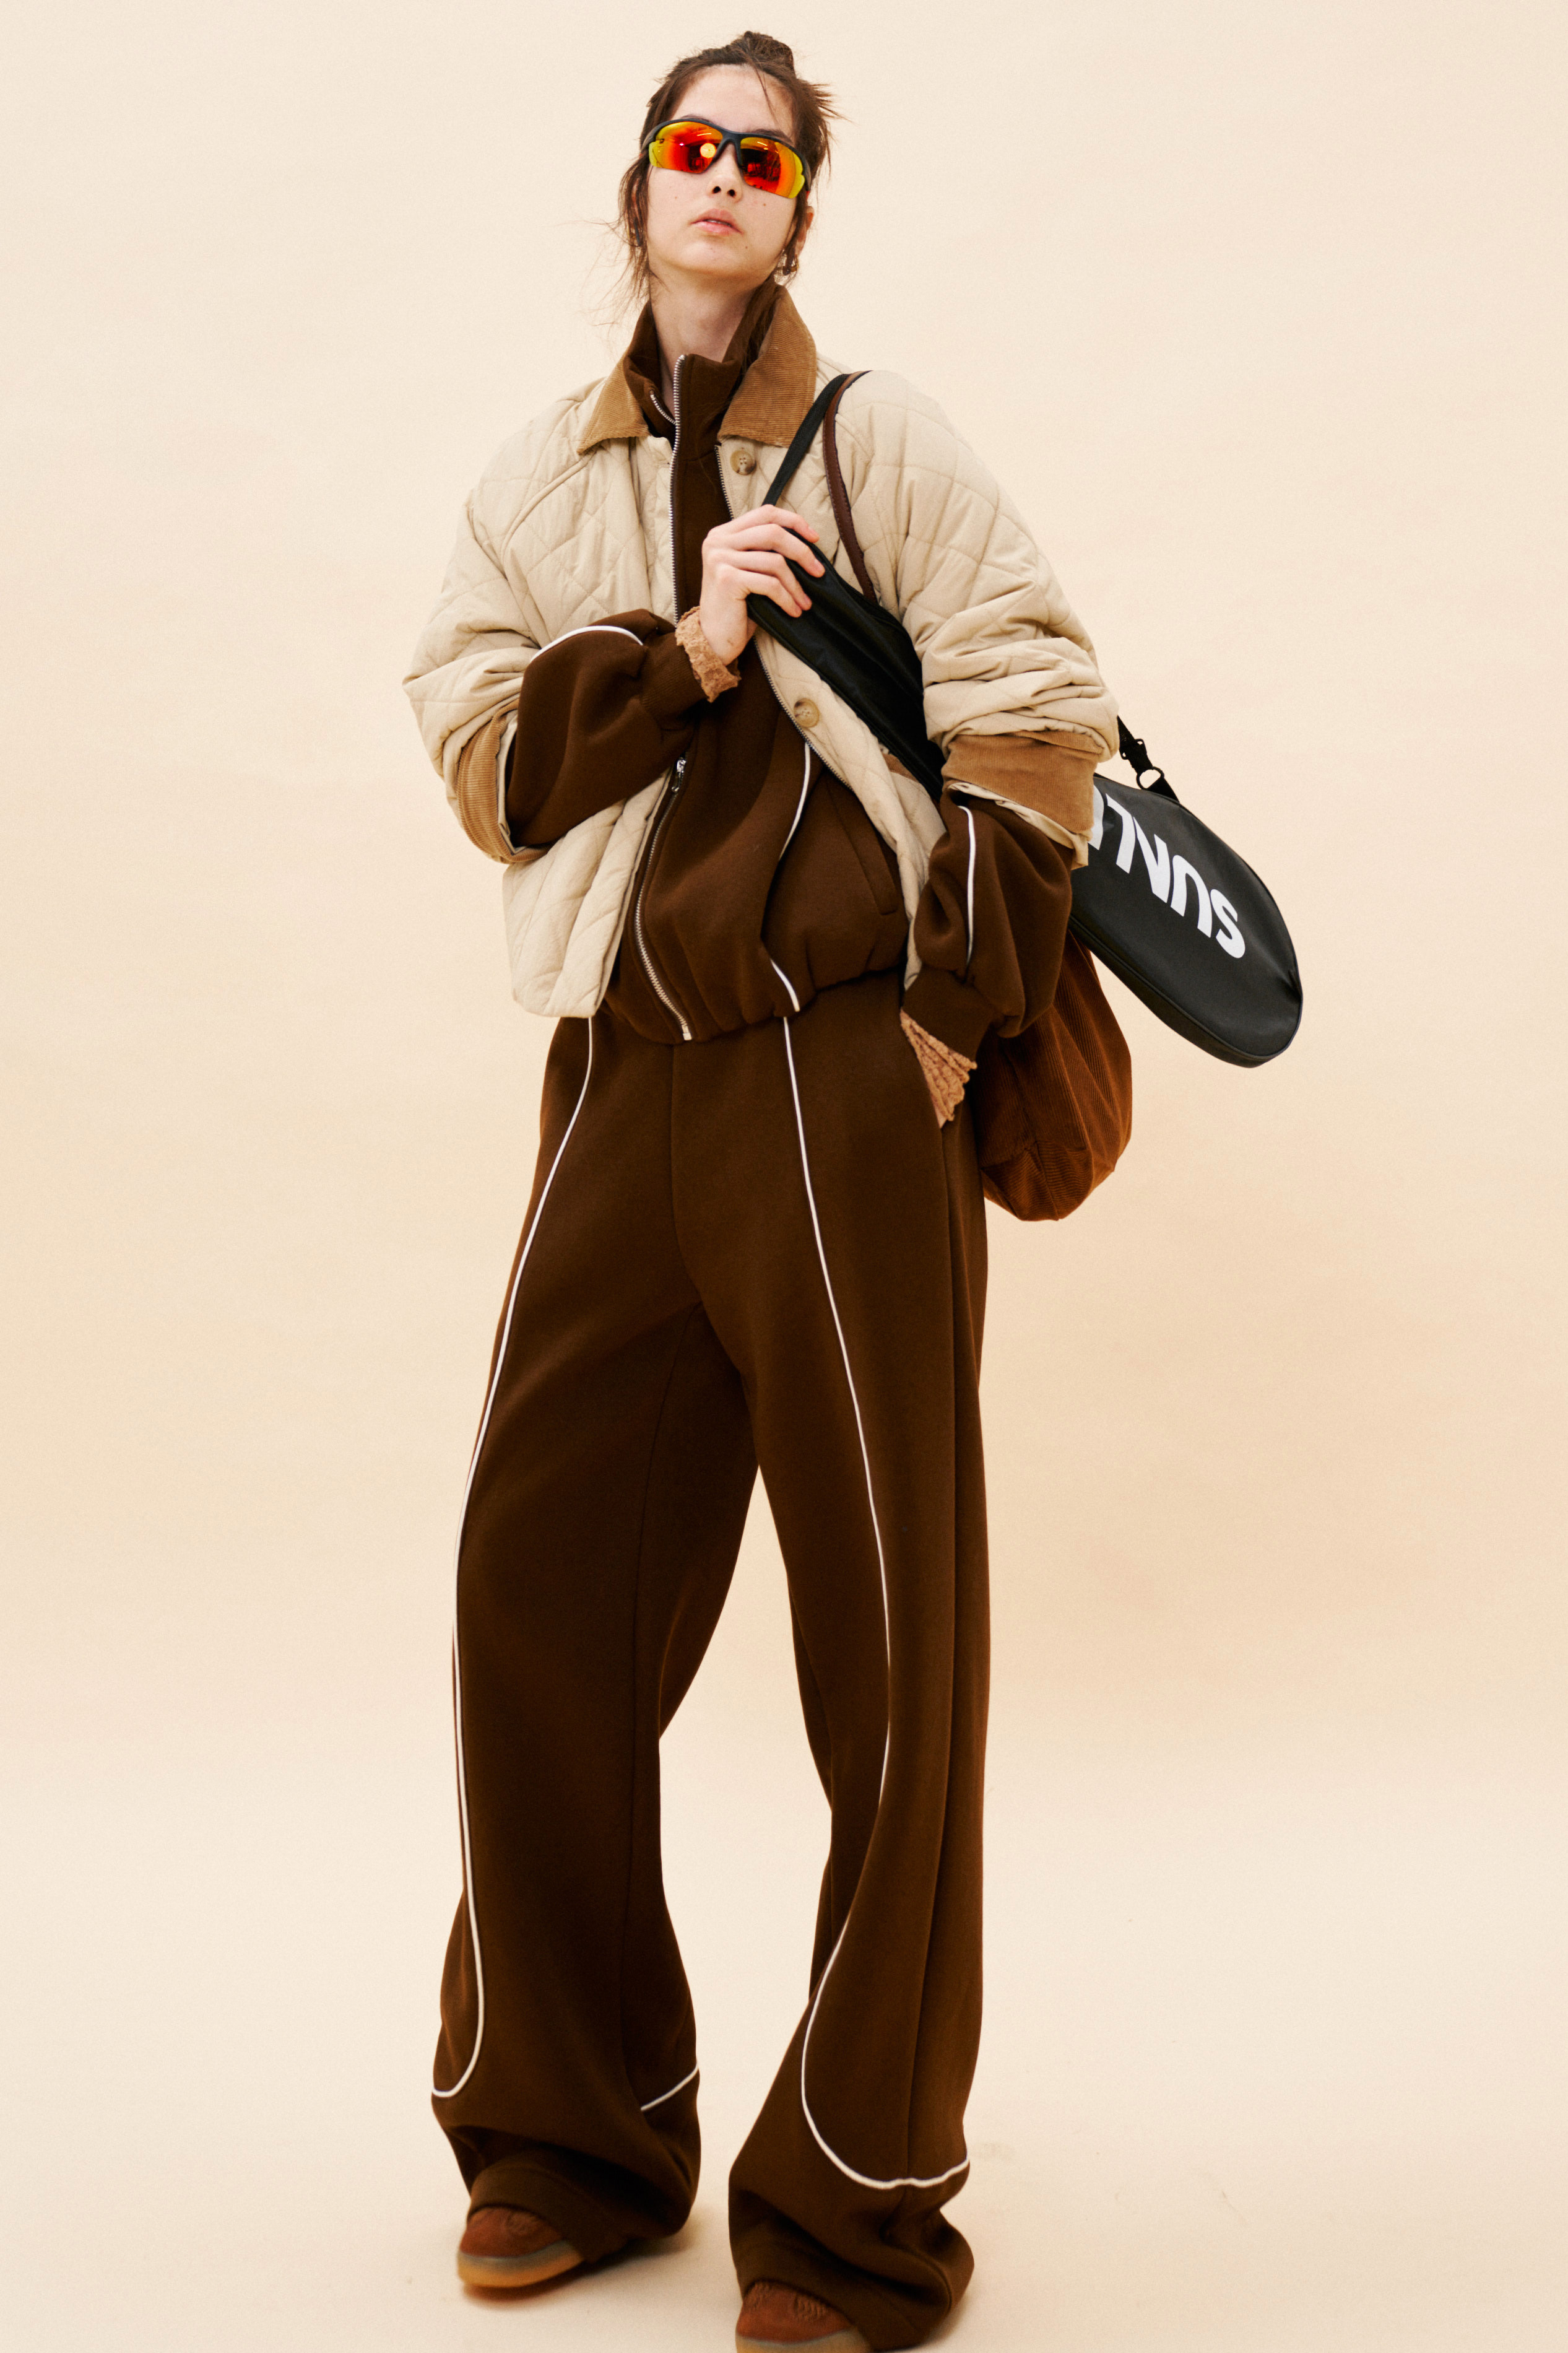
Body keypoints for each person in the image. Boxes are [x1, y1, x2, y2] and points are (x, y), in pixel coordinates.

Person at [404, 29, 1117, 2351]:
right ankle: (567, 2134)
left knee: (889, 1632)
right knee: (533, 1586)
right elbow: (487, 766)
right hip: (624, 1074)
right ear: (637, 188)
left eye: (766, 158)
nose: (723, 179)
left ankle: (857, 2203)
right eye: (689, 146)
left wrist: (946, 1024)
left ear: (803, 206)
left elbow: (1036, 707)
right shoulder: (540, 484)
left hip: (841, 1070)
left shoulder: (881, 438)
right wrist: (685, 640)